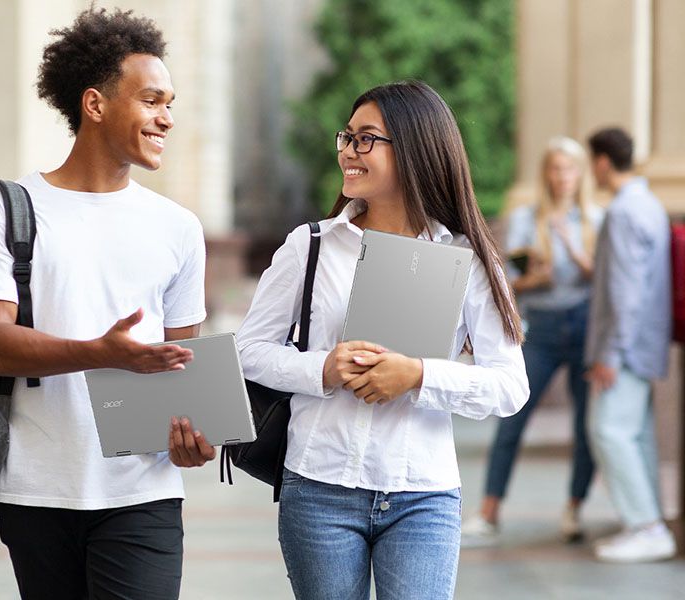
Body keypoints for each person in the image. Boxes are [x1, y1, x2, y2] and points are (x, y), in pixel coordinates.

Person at [0, 8, 214, 599]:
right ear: (95, 105)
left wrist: (194, 433)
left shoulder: (178, 227)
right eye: (152, 101)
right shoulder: (6, 207)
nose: (166, 118)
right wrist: (101, 352)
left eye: (170, 102)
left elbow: (183, 367)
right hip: (37, 490)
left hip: (143, 492)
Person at [237, 80, 529, 599]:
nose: (349, 150)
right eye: (346, 137)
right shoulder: (310, 247)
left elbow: (510, 387)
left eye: (366, 138)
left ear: (415, 148)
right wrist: (322, 369)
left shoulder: (467, 258)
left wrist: (418, 375)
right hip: (318, 487)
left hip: (424, 494)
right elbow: (249, 351)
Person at [462, 137, 603, 546]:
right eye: (555, 168)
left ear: (581, 175)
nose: (562, 177)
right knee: (511, 418)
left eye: (570, 169)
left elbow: (604, 278)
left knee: (584, 426)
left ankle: (574, 508)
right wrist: (533, 279)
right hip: (539, 327)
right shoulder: (526, 218)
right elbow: (507, 278)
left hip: (582, 328)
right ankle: (489, 512)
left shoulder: (597, 218)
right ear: (546, 173)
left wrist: (574, 250)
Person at [583, 127, 675, 563]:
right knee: (633, 435)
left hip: (627, 348)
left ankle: (647, 527)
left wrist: (609, 355)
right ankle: (646, 522)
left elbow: (625, 292)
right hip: (646, 343)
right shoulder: (649, 205)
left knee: (609, 431)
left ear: (602, 161)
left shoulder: (622, 212)